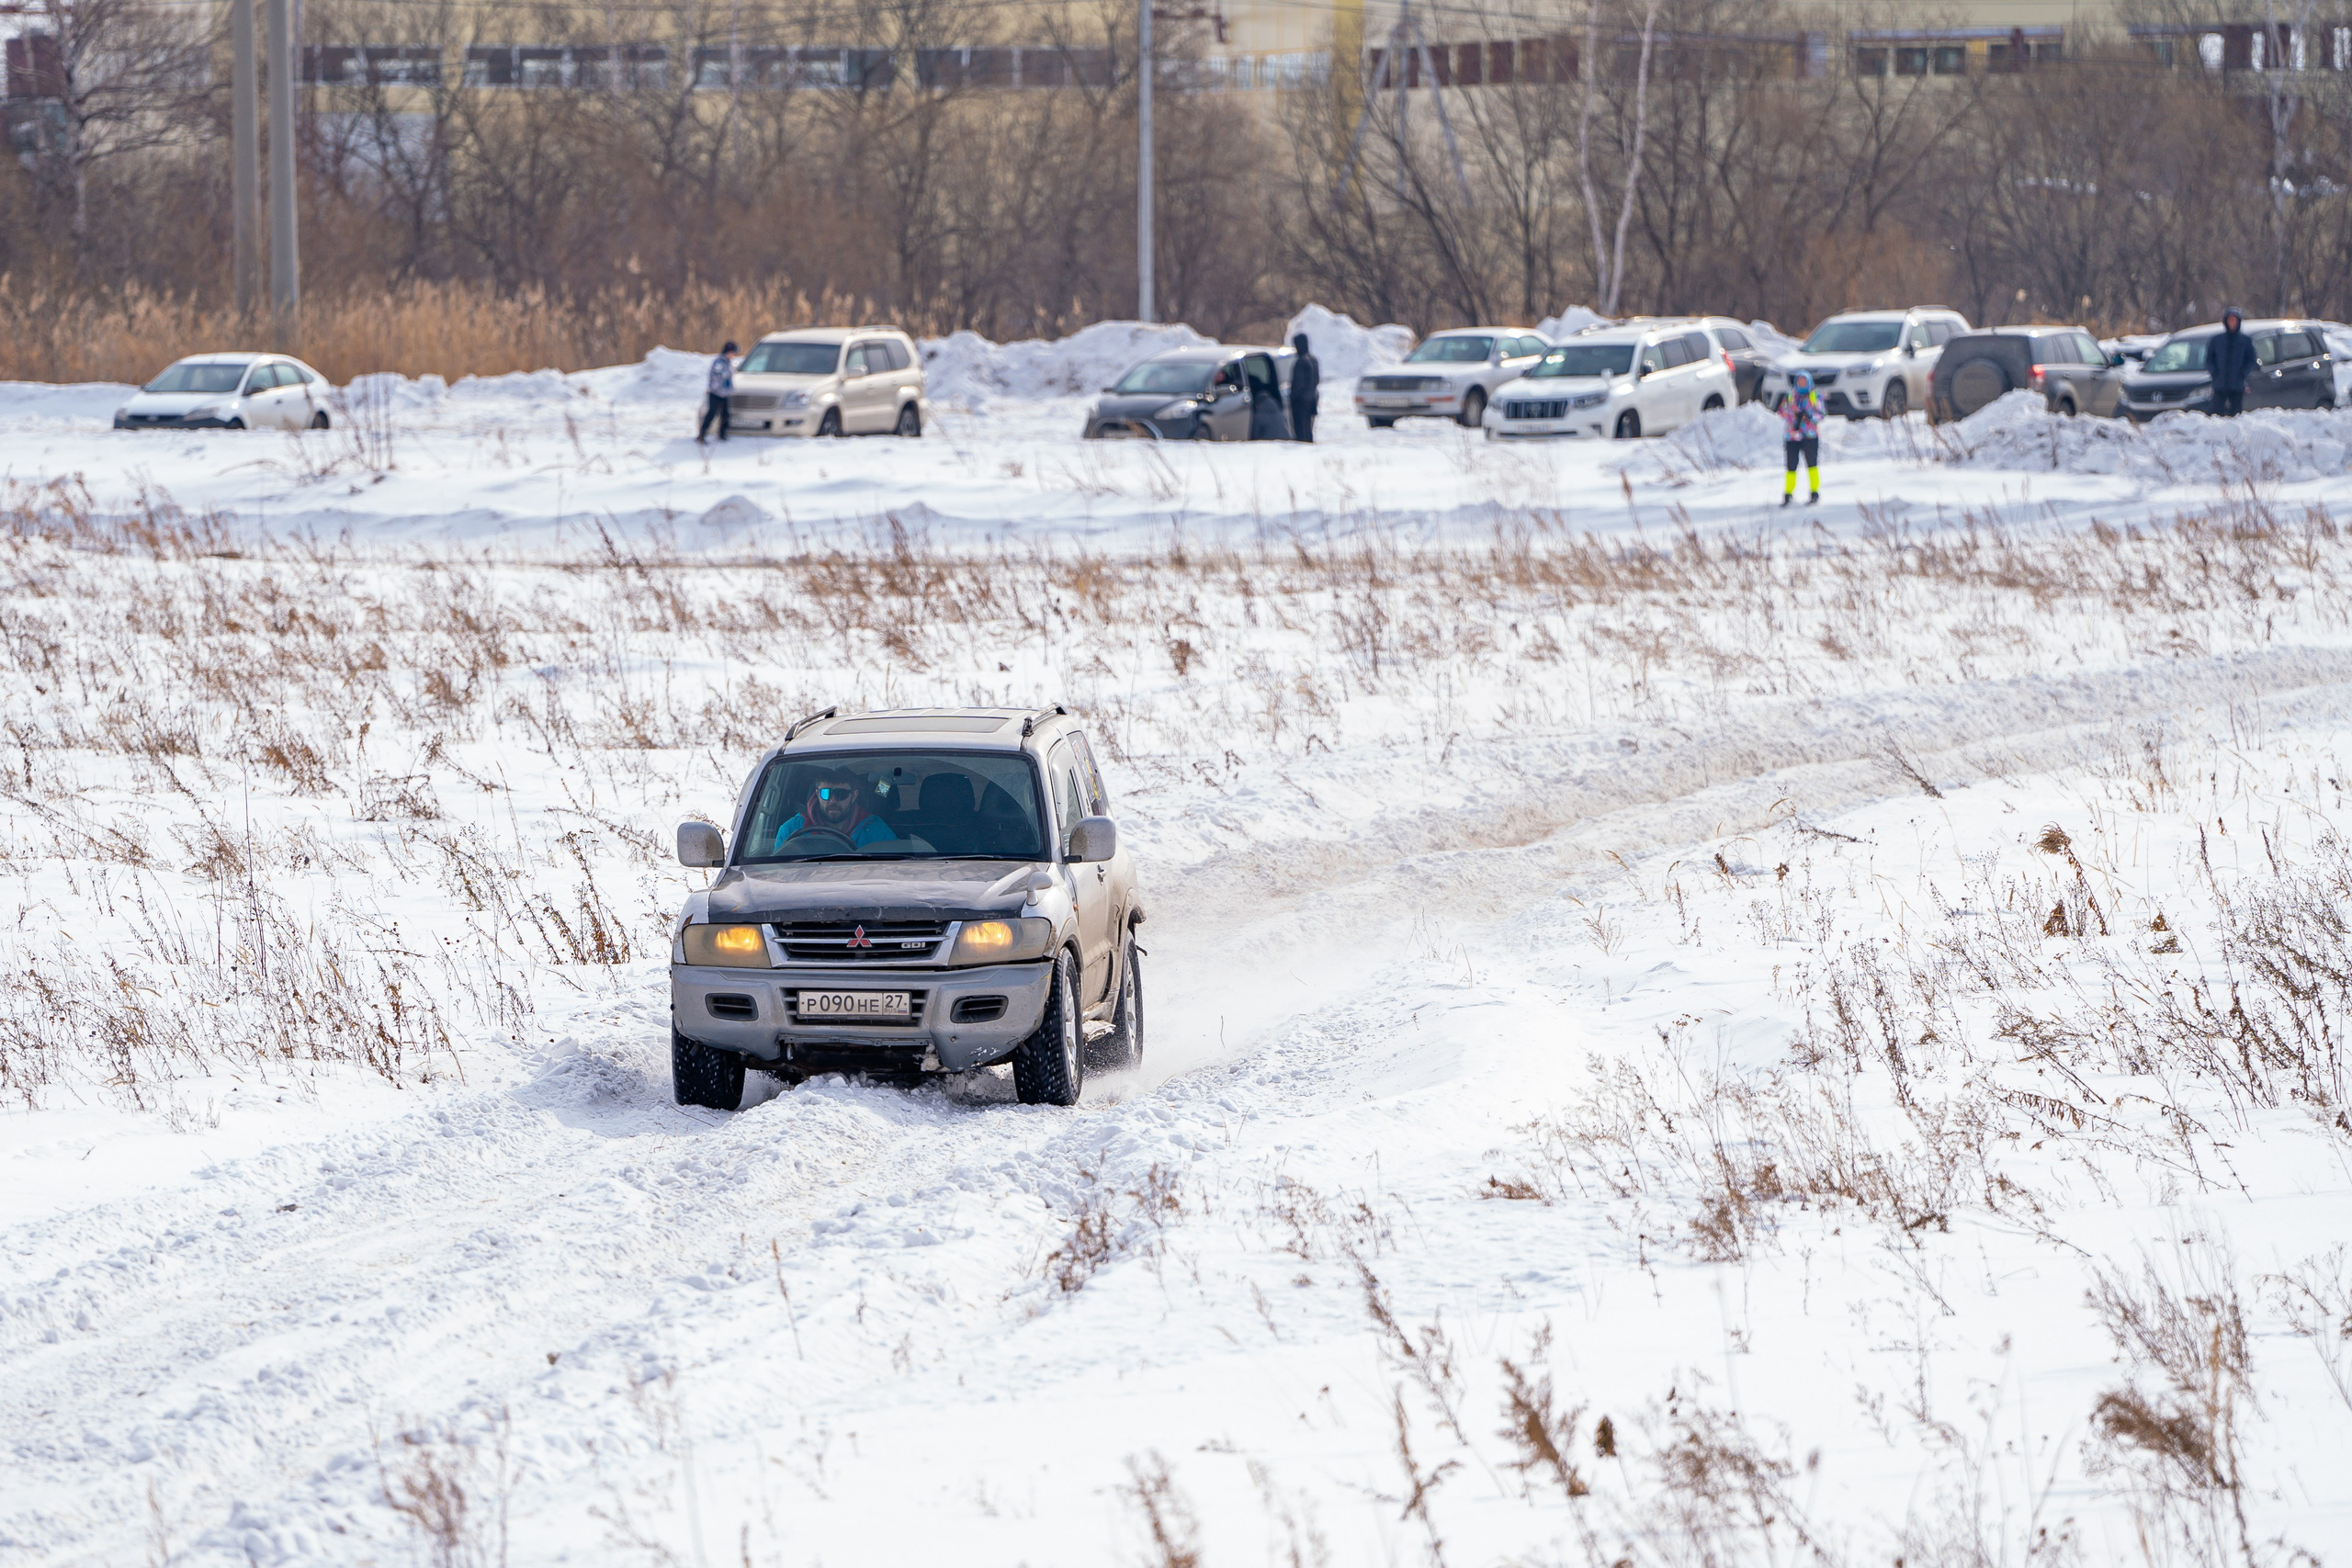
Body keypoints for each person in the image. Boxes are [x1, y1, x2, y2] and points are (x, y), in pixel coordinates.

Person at [771, 774, 895, 852]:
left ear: (854, 796)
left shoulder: (875, 828)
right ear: (817, 794)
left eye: (841, 794)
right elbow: (778, 874)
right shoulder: (792, 830)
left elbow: (895, 868)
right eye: (826, 793)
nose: (833, 800)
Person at [1780, 370, 1822, 507]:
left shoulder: (1815, 396)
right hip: (1792, 436)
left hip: (1810, 435)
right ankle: (1788, 493)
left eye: (1804, 381)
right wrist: (1794, 416)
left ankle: (1814, 492)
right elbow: (1782, 412)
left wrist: (1809, 416)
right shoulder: (1791, 396)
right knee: (1791, 466)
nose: (1802, 384)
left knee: (1812, 465)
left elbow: (1821, 414)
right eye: (1799, 382)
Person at [2208, 308, 2255, 417]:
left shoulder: (2245, 340)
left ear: (2239, 322)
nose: (2232, 323)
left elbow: (2251, 359)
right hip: (2220, 384)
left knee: (2236, 414)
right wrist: (2214, 373)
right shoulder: (2217, 340)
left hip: (2237, 384)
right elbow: (2209, 359)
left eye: (2235, 320)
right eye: (2230, 320)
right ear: (2225, 321)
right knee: (2216, 414)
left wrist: (2243, 373)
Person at [698, 341, 739, 444]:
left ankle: (722, 434)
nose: (733, 355)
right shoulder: (719, 363)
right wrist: (718, 389)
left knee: (725, 414)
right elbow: (716, 378)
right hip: (716, 394)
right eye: (732, 353)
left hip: (725, 394)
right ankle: (702, 434)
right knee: (711, 413)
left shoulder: (728, 362)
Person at [1288, 333, 1320, 442]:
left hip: (1300, 401)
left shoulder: (1301, 362)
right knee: (1308, 429)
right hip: (1311, 399)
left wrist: (1292, 397)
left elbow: (1298, 384)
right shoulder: (1314, 360)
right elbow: (1317, 380)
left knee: (1300, 430)